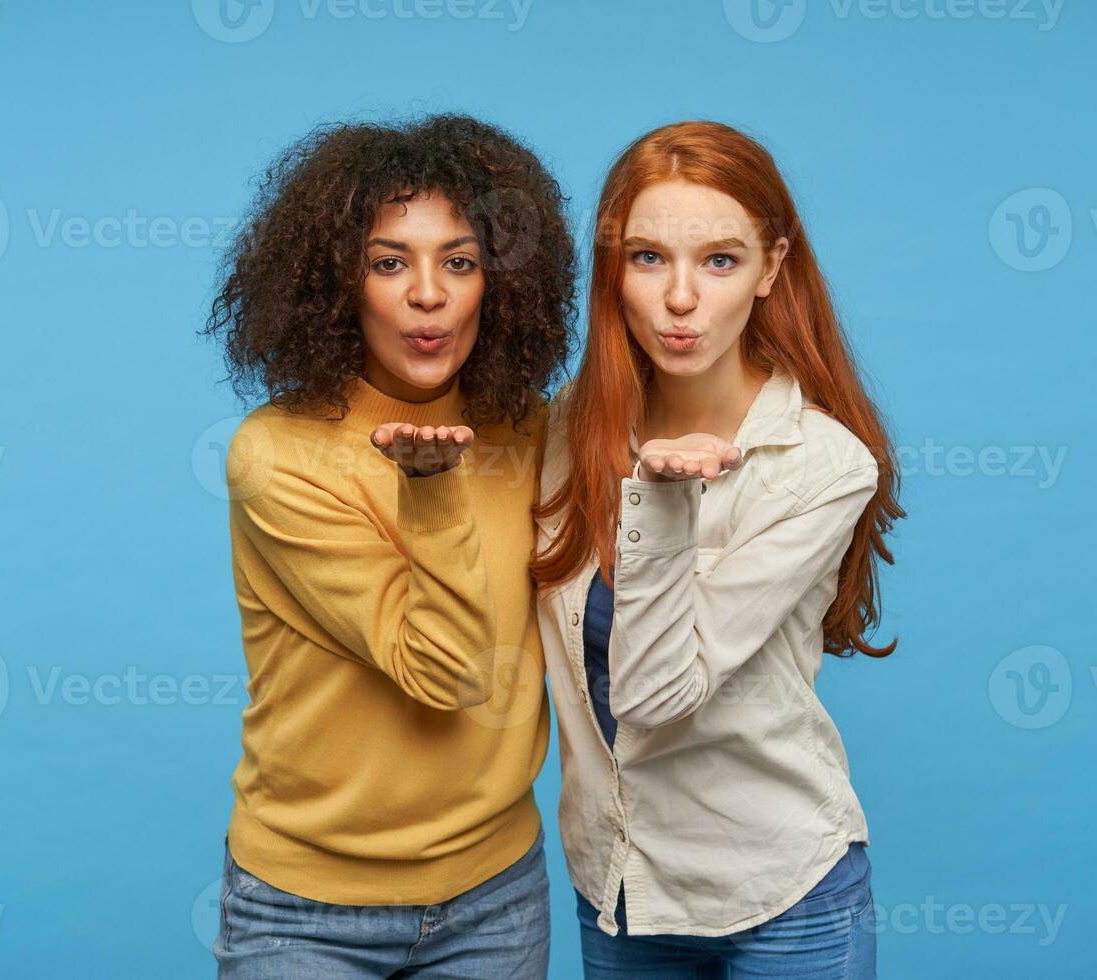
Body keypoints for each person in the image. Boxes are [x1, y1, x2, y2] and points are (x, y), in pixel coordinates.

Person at [203, 113, 576, 979]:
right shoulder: (277, 455)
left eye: (459, 260)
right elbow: (444, 673)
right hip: (303, 913)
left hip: (495, 897)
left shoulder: (530, 428)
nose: (427, 294)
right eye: (387, 262)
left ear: (500, 281)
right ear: (337, 283)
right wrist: (431, 490)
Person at [531, 120, 905, 978]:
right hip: (620, 891)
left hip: (784, 897)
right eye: (649, 258)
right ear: (612, 269)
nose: (682, 299)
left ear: (772, 267)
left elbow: (659, 695)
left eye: (721, 261)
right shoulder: (564, 429)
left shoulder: (821, 464)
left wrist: (663, 502)